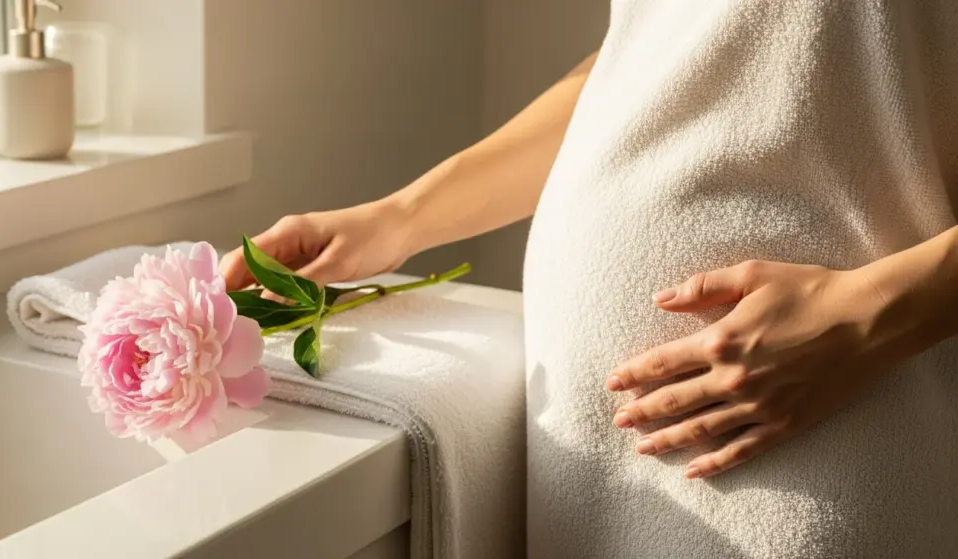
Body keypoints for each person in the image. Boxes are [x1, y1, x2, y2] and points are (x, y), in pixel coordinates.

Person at [221, 1, 958, 557]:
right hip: (589, 451)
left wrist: (872, 314)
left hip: (825, 417)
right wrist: (399, 218)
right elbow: (651, 59)